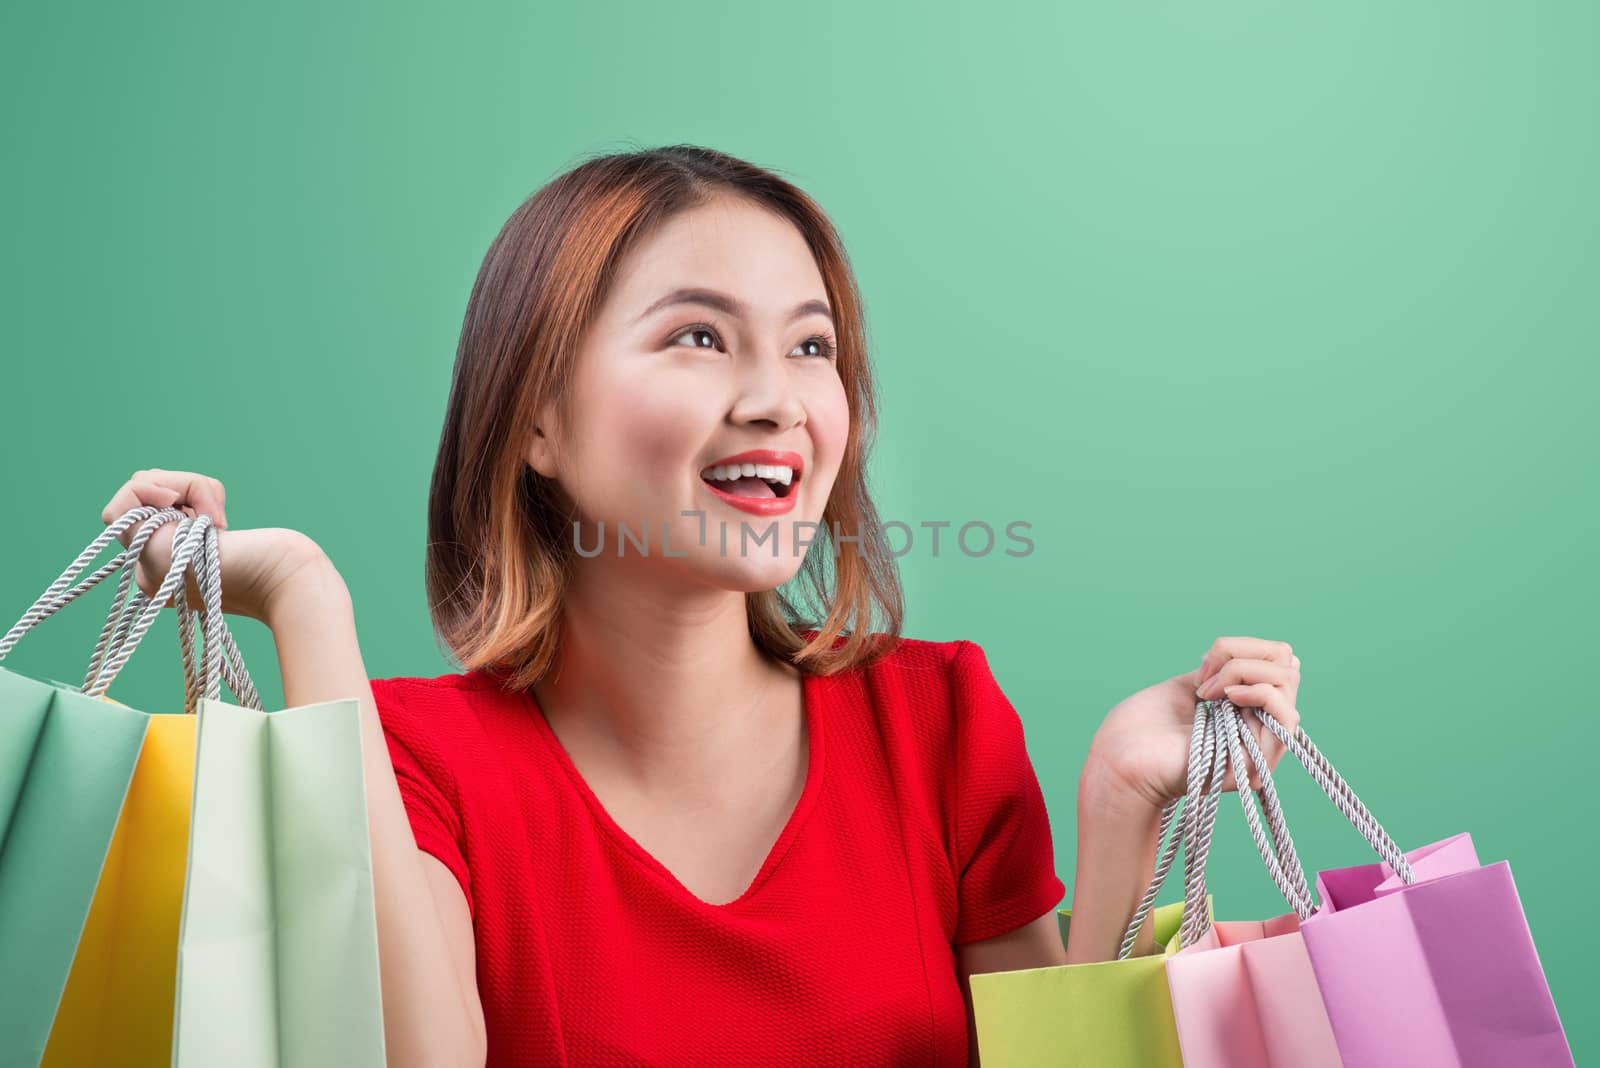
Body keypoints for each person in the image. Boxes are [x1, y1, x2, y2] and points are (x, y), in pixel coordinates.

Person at [99, 144, 1303, 1067]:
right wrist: (303, 599)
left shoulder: (933, 722)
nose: (778, 400)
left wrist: (1119, 809)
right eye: (698, 337)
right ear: (535, 421)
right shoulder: (415, 759)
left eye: (812, 348)